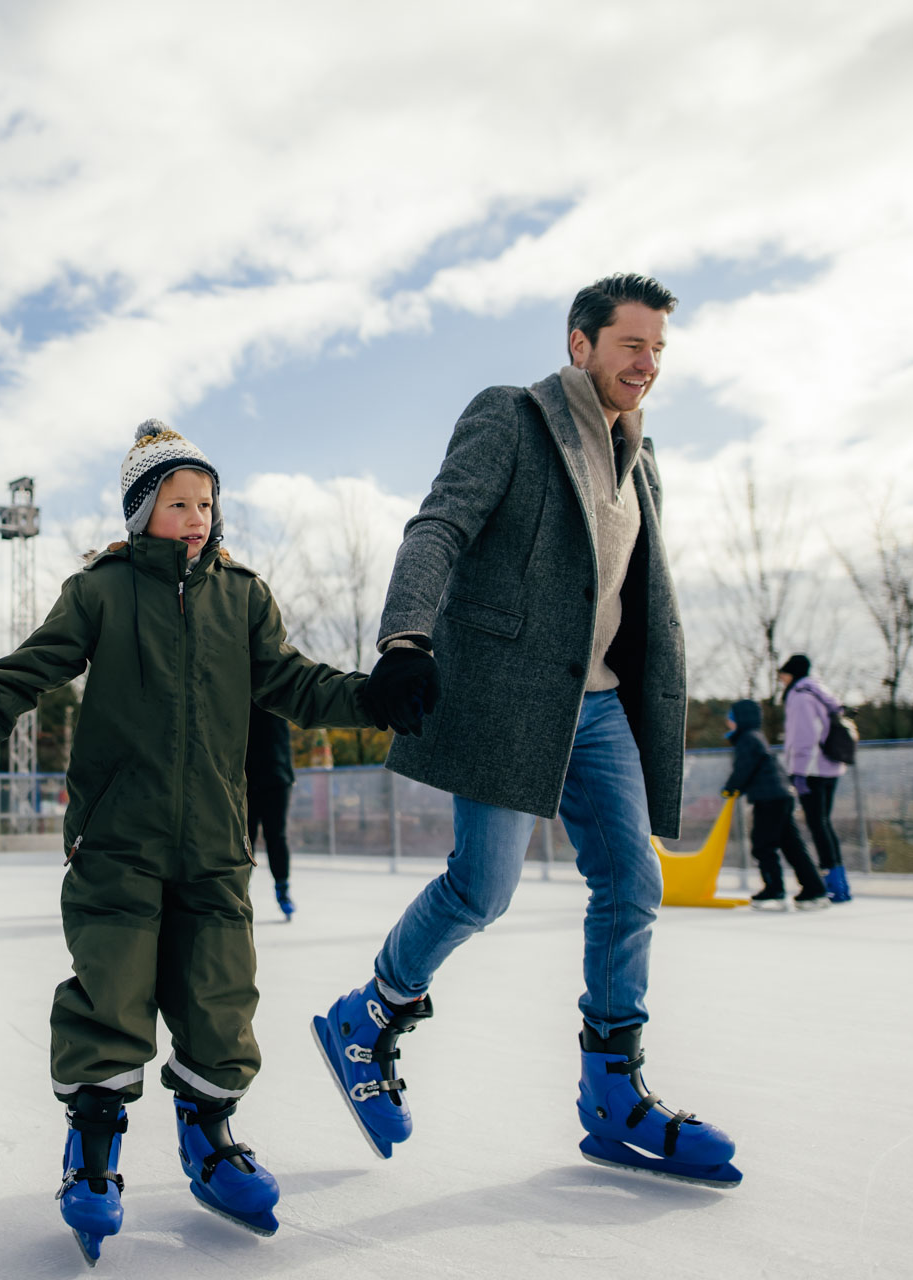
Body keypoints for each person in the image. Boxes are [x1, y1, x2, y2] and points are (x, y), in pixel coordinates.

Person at [312, 273, 743, 1188]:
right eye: (632, 345)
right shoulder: (513, 417)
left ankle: (613, 1094)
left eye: (659, 350)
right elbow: (440, 525)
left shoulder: (642, 454)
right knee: (483, 889)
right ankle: (370, 1014)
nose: (647, 364)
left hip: (601, 705)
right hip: (512, 696)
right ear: (580, 343)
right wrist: (404, 636)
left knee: (632, 880)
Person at [0, 422, 392, 1262]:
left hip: (215, 840)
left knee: (222, 997)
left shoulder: (243, 597)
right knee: (110, 994)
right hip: (117, 838)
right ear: (142, 511)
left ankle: (209, 1138)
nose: (195, 517)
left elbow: (293, 682)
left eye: (206, 502)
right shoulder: (101, 590)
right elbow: (39, 664)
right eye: (177, 502)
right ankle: (95, 1155)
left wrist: (372, 697)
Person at [724, 699, 830, 911]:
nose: (728, 723)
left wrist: (731, 787)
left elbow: (745, 768)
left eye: (731, 718)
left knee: (763, 845)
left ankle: (774, 890)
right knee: (792, 845)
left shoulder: (747, 739)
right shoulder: (756, 738)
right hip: (780, 796)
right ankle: (814, 889)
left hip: (769, 799)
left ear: (741, 720)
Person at [778, 653, 852, 902]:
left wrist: (797, 772)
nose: (781, 681)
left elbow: (803, 737)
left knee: (817, 824)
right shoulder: (819, 691)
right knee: (824, 824)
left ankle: (831, 882)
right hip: (830, 767)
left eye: (783, 675)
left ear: (792, 674)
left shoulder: (800, 697)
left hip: (811, 769)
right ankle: (839, 882)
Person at [246, 702, 297, 920]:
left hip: (276, 775)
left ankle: (282, 889)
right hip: (246, 777)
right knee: (244, 837)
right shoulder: (236, 688)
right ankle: (239, 889)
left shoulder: (276, 689)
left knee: (276, 836)